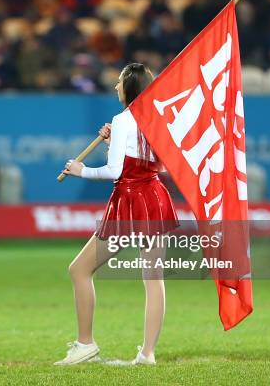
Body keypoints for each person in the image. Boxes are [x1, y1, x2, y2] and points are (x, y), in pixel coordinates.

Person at [55, 63, 179, 366]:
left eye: (120, 81)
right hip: (155, 196)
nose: (115, 87)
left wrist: (80, 170)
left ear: (130, 86)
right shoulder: (156, 116)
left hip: (130, 201)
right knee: (154, 279)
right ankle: (147, 353)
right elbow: (147, 158)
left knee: (79, 270)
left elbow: (115, 171)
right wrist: (114, 142)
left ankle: (85, 344)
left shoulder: (123, 119)